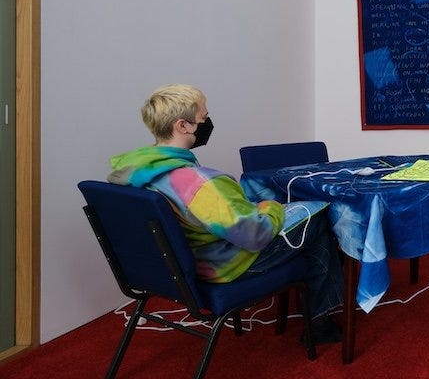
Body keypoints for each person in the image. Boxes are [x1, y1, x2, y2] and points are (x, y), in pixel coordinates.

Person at [108, 84, 344, 343]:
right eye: (203, 118)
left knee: (307, 228)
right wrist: (271, 207)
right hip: (223, 266)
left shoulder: (135, 174)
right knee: (318, 218)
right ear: (182, 126)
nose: (208, 122)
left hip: (176, 267)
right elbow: (255, 235)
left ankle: (317, 311)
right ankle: (320, 322)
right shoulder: (200, 183)